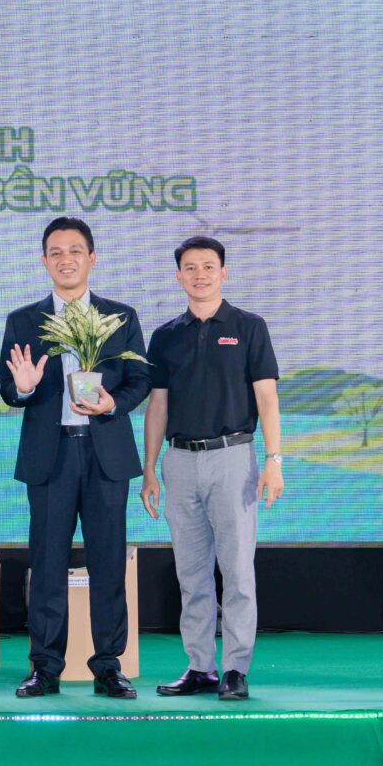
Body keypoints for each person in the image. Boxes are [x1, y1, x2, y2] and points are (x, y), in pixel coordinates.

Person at [0, 217, 150, 699]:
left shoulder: (120, 316)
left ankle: (109, 666)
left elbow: (140, 380)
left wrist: (113, 404)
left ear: (92, 258)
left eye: (75, 251)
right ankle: (45, 667)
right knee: (47, 563)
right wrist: (23, 389)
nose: (66, 260)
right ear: (44, 261)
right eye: (56, 252)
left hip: (106, 453)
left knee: (109, 562)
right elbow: (8, 389)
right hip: (51, 454)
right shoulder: (23, 320)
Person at [141, 236, 283, 701]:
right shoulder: (166, 335)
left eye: (208, 266)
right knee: (192, 573)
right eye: (190, 267)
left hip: (233, 458)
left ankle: (236, 669)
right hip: (179, 462)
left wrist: (274, 461)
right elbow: (157, 406)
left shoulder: (248, 327)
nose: (199, 275)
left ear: (224, 273)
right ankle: (200, 666)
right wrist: (149, 469)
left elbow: (267, 398)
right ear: (178, 276)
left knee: (237, 571)